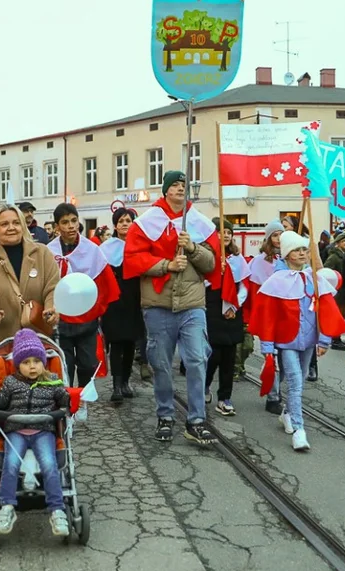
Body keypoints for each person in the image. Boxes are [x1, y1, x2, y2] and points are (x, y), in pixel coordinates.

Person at [124, 170, 220, 445]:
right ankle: (165, 414)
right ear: (165, 190)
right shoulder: (147, 223)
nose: (180, 188)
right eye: (175, 185)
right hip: (158, 304)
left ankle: (197, 419)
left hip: (192, 304)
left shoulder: (199, 223)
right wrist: (166, 265)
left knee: (197, 360)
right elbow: (133, 259)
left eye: (184, 185)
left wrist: (191, 248)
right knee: (162, 364)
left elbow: (211, 264)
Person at [252, 231, 345, 450]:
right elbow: (268, 316)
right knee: (295, 383)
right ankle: (299, 430)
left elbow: (326, 310)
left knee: (300, 379)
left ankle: (287, 413)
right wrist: (267, 347)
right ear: (286, 255)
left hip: (308, 341)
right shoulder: (277, 281)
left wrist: (324, 340)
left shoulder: (314, 278)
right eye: (297, 250)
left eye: (304, 249)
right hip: (287, 341)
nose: (303, 253)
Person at [0, 328, 71, 537]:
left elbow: (65, 399)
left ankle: (57, 509)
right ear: (18, 364)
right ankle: (7, 507)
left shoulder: (53, 381)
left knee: (49, 464)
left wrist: (74, 399)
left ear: (43, 362)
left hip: (43, 430)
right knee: (11, 464)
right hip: (16, 431)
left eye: (36, 361)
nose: (32, 366)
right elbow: (0, 397)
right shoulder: (11, 382)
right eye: (26, 362)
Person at [0, 204, 60, 381]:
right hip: (0, 338)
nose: (11, 228)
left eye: (16, 223)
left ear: (23, 226)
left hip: (38, 339)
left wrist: (51, 308)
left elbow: (52, 286)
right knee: (1, 393)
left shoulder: (42, 253)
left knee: (41, 391)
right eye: (4, 224)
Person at [48, 202, 120, 387]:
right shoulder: (49, 252)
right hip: (61, 319)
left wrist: (97, 308)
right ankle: (67, 403)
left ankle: (83, 399)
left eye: (74, 221)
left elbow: (104, 282)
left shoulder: (91, 249)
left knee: (87, 365)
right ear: (57, 226)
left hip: (86, 318)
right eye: (65, 222)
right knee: (65, 365)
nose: (71, 226)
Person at [100, 207, 144, 404]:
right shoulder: (107, 247)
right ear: (115, 225)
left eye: (128, 220)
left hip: (135, 300)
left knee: (130, 343)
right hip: (114, 300)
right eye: (121, 221)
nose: (125, 224)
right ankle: (117, 385)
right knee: (116, 343)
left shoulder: (140, 245)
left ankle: (126, 382)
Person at [206, 221, 246, 417]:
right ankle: (204, 386)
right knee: (213, 355)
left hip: (232, 310)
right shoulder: (209, 258)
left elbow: (244, 285)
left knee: (229, 357)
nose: (226, 235)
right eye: (222, 232)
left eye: (229, 232)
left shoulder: (238, 259)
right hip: (212, 308)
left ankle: (224, 397)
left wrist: (233, 305)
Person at [247, 220, 285, 412]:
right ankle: (273, 398)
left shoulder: (289, 258)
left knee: (286, 359)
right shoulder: (261, 262)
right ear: (269, 238)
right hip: (269, 315)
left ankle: (275, 387)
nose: (278, 239)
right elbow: (256, 292)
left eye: (281, 234)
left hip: (287, 316)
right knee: (273, 358)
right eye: (275, 235)